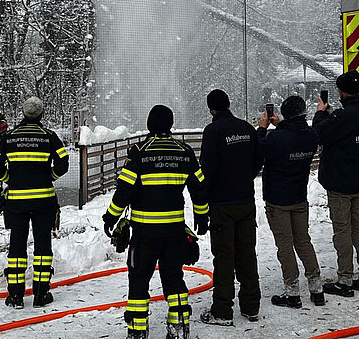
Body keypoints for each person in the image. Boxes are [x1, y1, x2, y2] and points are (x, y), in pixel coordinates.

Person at [103, 105, 209, 339]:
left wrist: (111, 216)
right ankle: (180, 326)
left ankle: (138, 331)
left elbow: (124, 191)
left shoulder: (139, 152)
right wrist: (202, 216)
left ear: (150, 125)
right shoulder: (184, 151)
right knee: (174, 277)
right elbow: (199, 189)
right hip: (174, 231)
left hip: (144, 233)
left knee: (139, 279)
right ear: (170, 124)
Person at [0, 96, 69, 309]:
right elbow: (63, 163)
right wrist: (49, 176)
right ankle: (41, 295)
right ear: (41, 114)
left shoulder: (9, 137)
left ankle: (15, 296)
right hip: (44, 202)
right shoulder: (49, 137)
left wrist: (9, 179)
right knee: (43, 246)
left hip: (16, 203)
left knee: (17, 246)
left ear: (23, 113)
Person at [198, 88, 262, 326]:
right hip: (246, 201)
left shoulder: (212, 131)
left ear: (211, 108)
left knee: (224, 257)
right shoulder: (246, 128)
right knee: (247, 253)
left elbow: (208, 168)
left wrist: (205, 198)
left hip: (222, 204)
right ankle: (251, 306)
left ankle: (223, 310)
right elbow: (258, 160)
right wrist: (243, 178)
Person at [257, 94, 325, 308]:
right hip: (299, 197)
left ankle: (292, 292)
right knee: (303, 241)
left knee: (285, 245)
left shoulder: (277, 138)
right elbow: (295, 133)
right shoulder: (310, 136)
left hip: (278, 200)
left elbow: (258, 150)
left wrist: (261, 128)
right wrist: (283, 125)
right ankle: (316, 288)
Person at [313, 70, 359, 297]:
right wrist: (332, 114)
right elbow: (343, 128)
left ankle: (345, 280)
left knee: (342, 231)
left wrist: (320, 114)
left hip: (340, 183)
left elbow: (320, 133)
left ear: (341, 91)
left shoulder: (344, 116)